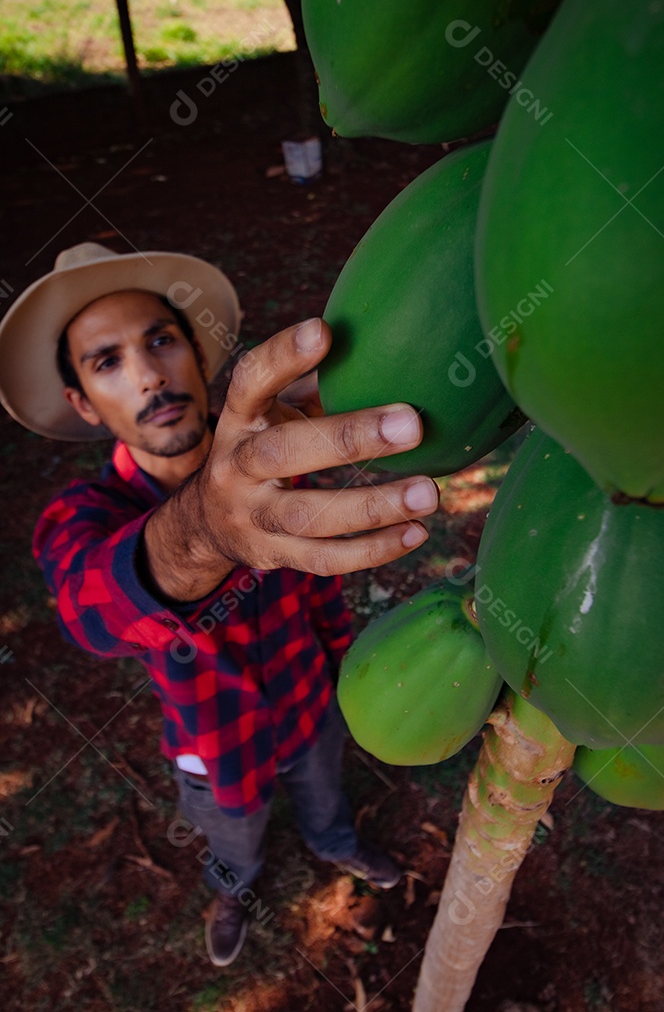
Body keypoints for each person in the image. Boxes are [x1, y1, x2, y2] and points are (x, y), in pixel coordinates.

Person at [0, 242, 440, 967]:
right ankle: (234, 888)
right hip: (212, 747)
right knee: (233, 837)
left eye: (160, 341)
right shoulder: (84, 515)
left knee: (324, 793)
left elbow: (322, 591)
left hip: (309, 705)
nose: (147, 374)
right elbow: (92, 613)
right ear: (82, 402)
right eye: (107, 362)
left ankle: (336, 844)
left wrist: (343, 676)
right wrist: (203, 528)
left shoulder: (277, 473)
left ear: (197, 358)